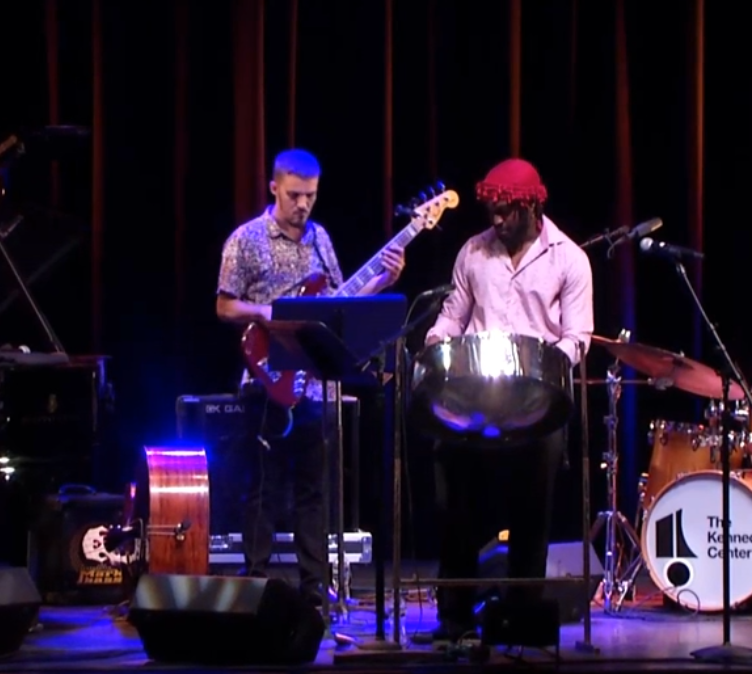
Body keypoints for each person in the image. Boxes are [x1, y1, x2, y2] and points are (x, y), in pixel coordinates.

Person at [215, 149, 405, 606]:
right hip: (265, 379)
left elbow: (340, 302)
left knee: (314, 493)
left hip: (316, 385)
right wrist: (269, 313)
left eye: (311, 196)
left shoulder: (321, 240)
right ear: (274, 188)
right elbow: (224, 306)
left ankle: (314, 591)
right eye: (295, 195)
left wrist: (383, 281)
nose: (303, 204)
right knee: (262, 489)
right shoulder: (246, 239)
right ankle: (255, 587)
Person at [422, 158, 594, 641]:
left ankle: (521, 618)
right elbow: (453, 315)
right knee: (456, 507)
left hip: (536, 403)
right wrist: (437, 338)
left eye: (505, 212)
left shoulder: (569, 259)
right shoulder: (473, 252)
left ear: (532, 207)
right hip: (475, 396)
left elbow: (577, 337)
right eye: (491, 211)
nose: (496, 220)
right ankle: (454, 618)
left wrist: (542, 369)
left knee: (530, 513)